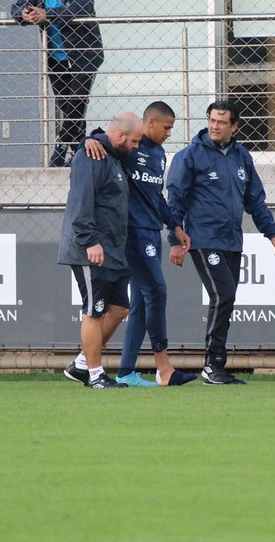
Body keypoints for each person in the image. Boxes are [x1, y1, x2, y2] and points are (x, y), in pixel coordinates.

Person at [165, 100, 275, 385]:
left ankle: (215, 364)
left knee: (226, 298)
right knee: (223, 295)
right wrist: (174, 239)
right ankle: (212, 364)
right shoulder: (190, 156)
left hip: (232, 241)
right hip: (203, 239)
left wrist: (272, 234)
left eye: (221, 122)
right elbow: (175, 200)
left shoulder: (242, 157)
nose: (214, 126)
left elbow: (255, 201)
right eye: (212, 120)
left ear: (235, 126)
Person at [84, 101, 197, 387]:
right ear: (149, 124)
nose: (170, 133)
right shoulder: (130, 147)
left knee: (141, 303)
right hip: (131, 232)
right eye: (166, 127)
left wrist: (174, 226)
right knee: (156, 291)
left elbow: (156, 196)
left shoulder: (159, 154)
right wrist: (90, 138)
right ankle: (164, 367)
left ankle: (125, 371)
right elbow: (106, 138)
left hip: (152, 231)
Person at [59, 112, 144, 388]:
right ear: (120, 137)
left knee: (119, 308)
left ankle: (82, 365)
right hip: (91, 249)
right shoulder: (90, 157)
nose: (136, 146)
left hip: (113, 251)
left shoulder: (113, 155)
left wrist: (91, 136)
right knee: (93, 311)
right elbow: (82, 202)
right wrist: (89, 240)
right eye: (134, 141)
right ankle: (96, 376)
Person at [11, 0, 105, 167]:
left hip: (84, 54)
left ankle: (59, 151)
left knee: (75, 103)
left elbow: (84, 5)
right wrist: (23, 15)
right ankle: (81, 154)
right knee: (69, 106)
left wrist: (49, 14)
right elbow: (16, 6)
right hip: (56, 56)